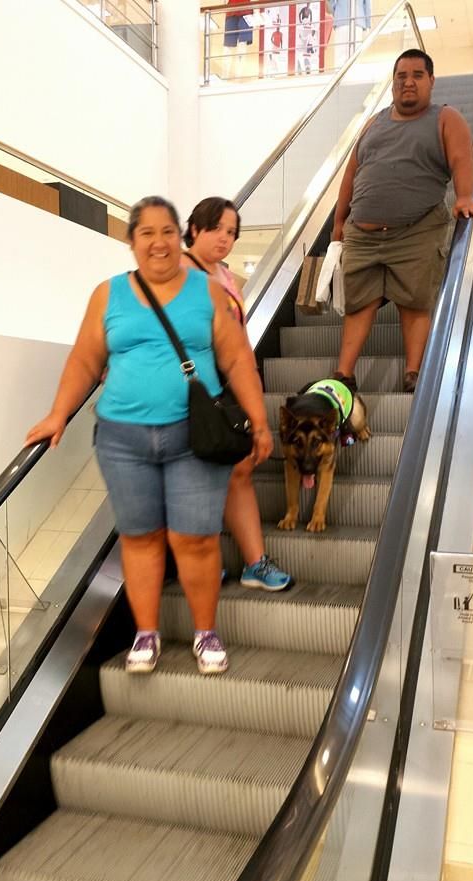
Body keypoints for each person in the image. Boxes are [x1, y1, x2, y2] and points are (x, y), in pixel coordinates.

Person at [25, 196, 273, 676]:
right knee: (140, 538)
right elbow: (84, 360)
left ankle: (205, 633)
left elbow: (239, 358)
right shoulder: (108, 294)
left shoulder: (208, 292)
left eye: (166, 232)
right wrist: (59, 413)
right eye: (146, 233)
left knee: (195, 539)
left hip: (194, 437)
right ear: (131, 241)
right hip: (122, 439)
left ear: (178, 237)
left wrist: (259, 421)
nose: (158, 243)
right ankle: (146, 634)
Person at [331, 49, 473, 394]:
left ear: (430, 81)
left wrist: (464, 196)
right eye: (401, 76)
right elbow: (352, 173)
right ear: (393, 83)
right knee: (358, 302)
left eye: (416, 75)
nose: (408, 82)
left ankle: (414, 373)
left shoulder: (446, 118)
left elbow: (461, 159)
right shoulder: (374, 122)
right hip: (362, 234)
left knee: (414, 300)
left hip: (417, 229)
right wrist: (339, 221)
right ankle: (344, 374)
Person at [181, 197, 292, 592]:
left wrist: (253, 388)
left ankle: (254, 563)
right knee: (191, 476)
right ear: (195, 228)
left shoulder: (225, 278)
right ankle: (197, 563)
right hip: (185, 394)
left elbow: (240, 342)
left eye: (232, 233)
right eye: (218, 229)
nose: (225, 239)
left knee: (240, 469)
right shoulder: (175, 271)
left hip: (225, 391)